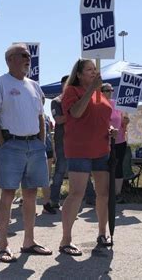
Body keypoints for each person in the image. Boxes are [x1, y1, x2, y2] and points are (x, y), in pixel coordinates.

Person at [0, 43, 52, 263]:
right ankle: (3, 245)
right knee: (8, 194)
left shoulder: (34, 85)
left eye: (29, 56)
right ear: (10, 59)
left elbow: (41, 116)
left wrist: (41, 143)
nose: (28, 58)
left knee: (31, 194)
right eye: (23, 55)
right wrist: (2, 144)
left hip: (35, 146)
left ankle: (28, 242)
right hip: (12, 146)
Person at [59, 59, 116, 256]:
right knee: (77, 193)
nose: (94, 72)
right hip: (79, 149)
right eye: (89, 70)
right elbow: (75, 113)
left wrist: (109, 129)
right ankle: (66, 240)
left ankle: (102, 233)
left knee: (104, 193)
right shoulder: (72, 91)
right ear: (79, 74)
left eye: (95, 69)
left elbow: (101, 118)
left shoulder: (101, 94)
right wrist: (92, 89)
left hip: (101, 148)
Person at [49, 75, 96, 210]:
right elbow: (58, 120)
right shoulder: (56, 101)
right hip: (63, 141)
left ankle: (91, 198)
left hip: (79, 140)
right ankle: (54, 200)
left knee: (83, 169)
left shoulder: (79, 99)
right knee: (60, 171)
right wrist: (76, 114)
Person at [101, 83, 129, 203]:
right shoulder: (98, 104)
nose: (110, 92)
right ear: (101, 91)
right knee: (105, 167)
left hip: (120, 140)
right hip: (104, 141)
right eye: (107, 90)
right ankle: (105, 193)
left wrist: (125, 122)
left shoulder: (116, 104)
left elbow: (122, 123)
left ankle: (117, 194)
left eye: (111, 90)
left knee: (118, 166)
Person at [41, 98, 56, 214]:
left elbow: (50, 135)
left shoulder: (46, 117)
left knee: (47, 177)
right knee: (32, 177)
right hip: (36, 150)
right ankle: (25, 201)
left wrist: (54, 152)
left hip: (48, 149)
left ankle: (47, 203)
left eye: (42, 99)